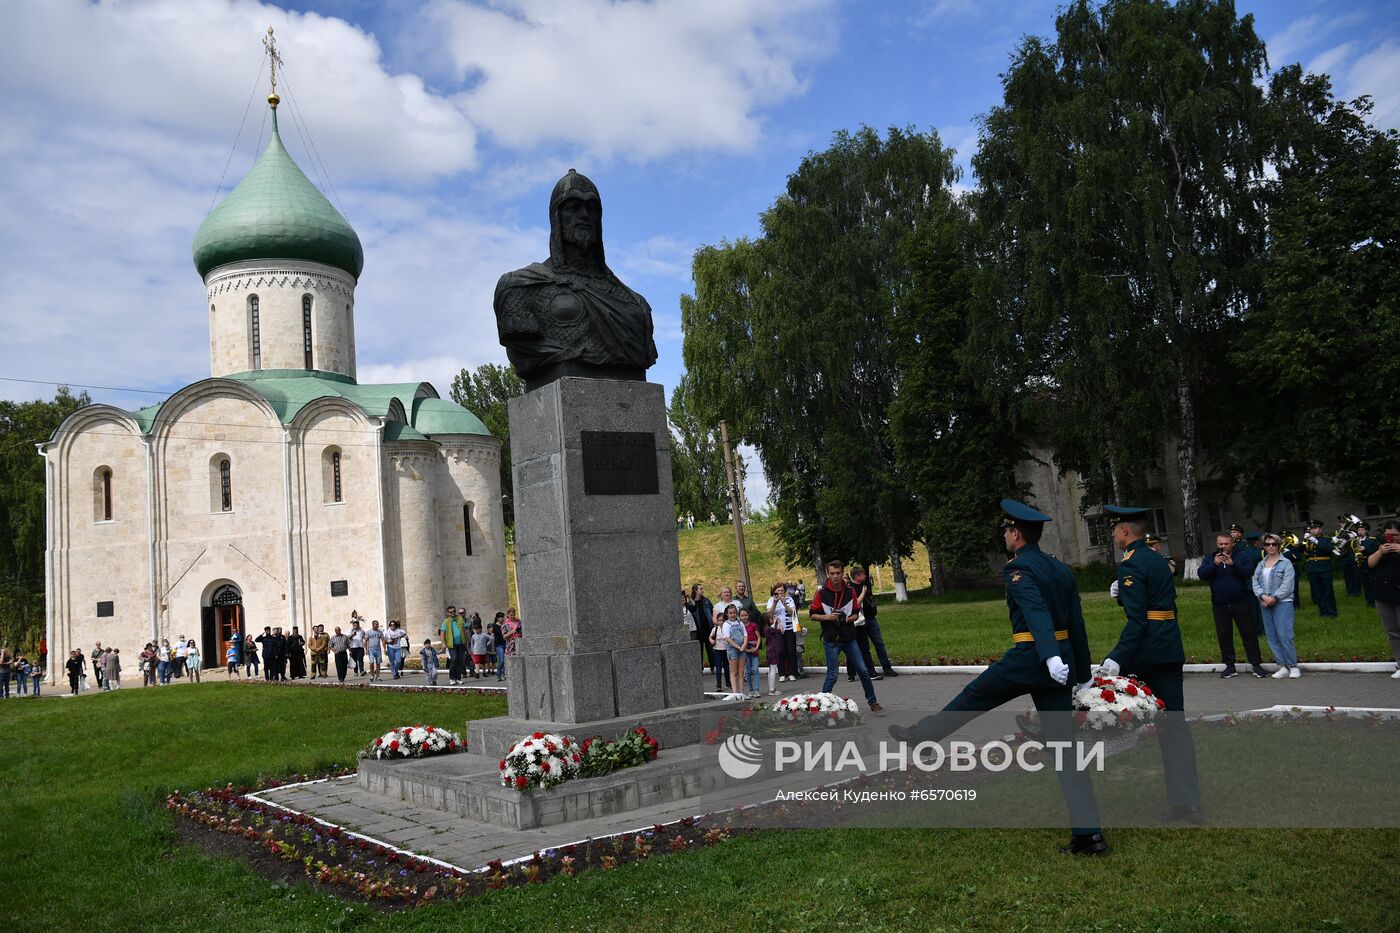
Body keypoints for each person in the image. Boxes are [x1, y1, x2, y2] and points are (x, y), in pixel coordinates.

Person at [889, 499, 1102, 854]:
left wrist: (1048, 655)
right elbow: (1076, 626)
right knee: (1066, 749)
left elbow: (1034, 611)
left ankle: (922, 736)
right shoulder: (1059, 569)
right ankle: (1089, 834)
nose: (1003, 535)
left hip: (1030, 658)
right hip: (1059, 666)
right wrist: (1082, 673)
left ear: (1016, 533)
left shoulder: (1020, 569)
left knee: (974, 696)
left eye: (1005, 530)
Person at [1096, 504, 1203, 823]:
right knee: (1174, 726)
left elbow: (1138, 621)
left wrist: (1117, 657)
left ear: (1125, 531)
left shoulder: (1130, 565)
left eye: (1115, 529)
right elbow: (1161, 604)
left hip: (1146, 654)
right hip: (1169, 648)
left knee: (1112, 708)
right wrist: (1122, 596)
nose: (1114, 534)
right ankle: (1187, 802)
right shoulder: (1158, 560)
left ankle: (1061, 738)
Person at [809, 559, 886, 715]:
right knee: (832, 674)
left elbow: (856, 614)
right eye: (832, 574)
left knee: (863, 670)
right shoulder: (821, 593)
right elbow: (812, 615)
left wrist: (847, 619)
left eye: (838, 573)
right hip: (831, 640)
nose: (835, 577)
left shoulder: (850, 591)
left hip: (849, 638)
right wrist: (828, 617)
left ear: (843, 573)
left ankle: (873, 701)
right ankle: (821, 706)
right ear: (827, 574)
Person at [1197, 532, 1267, 678]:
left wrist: (1233, 565)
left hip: (1240, 601)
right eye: (1221, 544)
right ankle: (1229, 666)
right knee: (1224, 635)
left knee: (1248, 633)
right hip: (1219, 604)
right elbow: (1202, 575)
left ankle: (1256, 664)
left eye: (1226, 544)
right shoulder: (1211, 558)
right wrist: (1214, 564)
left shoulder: (1241, 556)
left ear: (1232, 543)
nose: (1223, 547)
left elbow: (1248, 573)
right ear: (1217, 544)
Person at [1254, 534, 1299, 678]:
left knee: (1285, 634)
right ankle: (1282, 665)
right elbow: (1255, 582)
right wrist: (1262, 596)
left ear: (1279, 546)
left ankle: (1293, 666)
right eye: (1267, 544)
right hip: (1265, 603)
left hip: (1283, 603)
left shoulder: (1286, 563)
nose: (1271, 547)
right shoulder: (1261, 564)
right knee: (1271, 636)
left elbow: (1288, 585)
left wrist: (1274, 597)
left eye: (1274, 544)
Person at [847, 565, 896, 681]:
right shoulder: (851, 589)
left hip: (871, 618)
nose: (865, 575)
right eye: (863, 574)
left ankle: (887, 668)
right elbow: (856, 604)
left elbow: (869, 600)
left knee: (879, 643)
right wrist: (863, 594)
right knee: (860, 647)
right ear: (856, 576)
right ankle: (857, 672)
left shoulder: (866, 585)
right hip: (859, 621)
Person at [1366, 520, 1400, 680]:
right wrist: (1380, 552)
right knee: (1393, 631)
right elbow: (1370, 564)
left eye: (1395, 535)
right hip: (1383, 594)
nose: (1391, 538)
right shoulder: (1380, 546)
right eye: (1388, 535)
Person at [1302, 519, 1339, 618]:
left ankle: (1332, 612)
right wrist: (1304, 541)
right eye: (1311, 529)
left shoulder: (1326, 539)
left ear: (1320, 529)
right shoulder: (1307, 541)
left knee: (1328, 590)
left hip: (1325, 567)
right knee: (1318, 591)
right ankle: (1323, 612)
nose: (1313, 530)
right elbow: (1301, 551)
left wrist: (1316, 541)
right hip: (1312, 568)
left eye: (1315, 528)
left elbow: (1329, 548)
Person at [766, 583, 800, 682]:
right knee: (780, 651)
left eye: (781, 590)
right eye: (778, 591)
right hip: (777, 629)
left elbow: (792, 612)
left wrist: (784, 603)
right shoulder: (771, 600)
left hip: (789, 628)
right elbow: (769, 614)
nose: (780, 593)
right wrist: (775, 603)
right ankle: (782, 673)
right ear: (774, 592)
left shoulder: (789, 599)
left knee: (791, 651)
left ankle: (792, 673)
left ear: (784, 591)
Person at [715, 604, 746, 697]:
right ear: (727, 614)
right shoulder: (726, 624)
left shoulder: (740, 623)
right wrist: (738, 647)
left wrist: (744, 645)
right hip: (733, 649)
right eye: (730, 613)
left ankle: (742, 692)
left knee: (741, 671)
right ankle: (735, 693)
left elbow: (745, 635)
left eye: (734, 613)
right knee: (734, 672)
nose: (733, 615)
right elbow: (728, 638)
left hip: (742, 648)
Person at [690, 583, 715, 675]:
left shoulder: (706, 601)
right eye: (700, 589)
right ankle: (700, 668)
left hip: (708, 628)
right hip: (698, 630)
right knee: (699, 650)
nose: (702, 590)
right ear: (696, 590)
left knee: (710, 649)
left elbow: (712, 611)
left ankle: (713, 666)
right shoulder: (691, 603)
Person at [441, 605, 468, 685]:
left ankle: (458, 678)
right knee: (454, 659)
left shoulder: (460, 619)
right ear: (448, 613)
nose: (453, 613)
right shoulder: (446, 621)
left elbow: (464, 630)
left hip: (460, 643)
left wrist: (466, 641)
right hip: (451, 644)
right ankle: (452, 678)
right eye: (451, 612)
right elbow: (442, 633)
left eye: (454, 611)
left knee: (460, 660)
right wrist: (443, 643)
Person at [1354, 522, 1379, 608]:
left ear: (1366, 531)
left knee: (1372, 583)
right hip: (1360, 564)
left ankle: (1375, 601)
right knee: (1365, 584)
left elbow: (1376, 551)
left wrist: (1365, 548)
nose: (1360, 532)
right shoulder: (1355, 541)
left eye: (1362, 530)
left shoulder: (1372, 540)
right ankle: (1369, 602)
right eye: (1359, 530)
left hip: (1370, 563)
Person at [741, 607, 761, 698]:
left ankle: (757, 690)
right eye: (742, 615)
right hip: (745, 651)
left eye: (745, 615)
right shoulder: (739, 626)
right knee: (748, 671)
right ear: (739, 616)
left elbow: (759, 637)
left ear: (748, 615)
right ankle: (751, 690)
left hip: (754, 650)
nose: (744, 617)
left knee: (755, 669)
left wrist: (756, 647)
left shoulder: (753, 625)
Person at [763, 611, 783, 696]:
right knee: (773, 670)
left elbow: (775, 630)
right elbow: (780, 630)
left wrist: (775, 623)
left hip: (770, 650)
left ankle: (771, 689)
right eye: (771, 618)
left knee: (771, 669)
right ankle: (772, 690)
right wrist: (778, 622)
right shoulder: (769, 629)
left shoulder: (767, 628)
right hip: (773, 650)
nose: (772, 619)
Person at [490, 612, 507, 682]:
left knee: (503, 661)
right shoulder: (494, 626)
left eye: (503, 617)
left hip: (506, 644)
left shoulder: (505, 624)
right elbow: (500, 633)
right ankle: (498, 674)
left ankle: (503, 674)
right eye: (501, 617)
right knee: (502, 660)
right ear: (497, 618)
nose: (503, 618)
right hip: (499, 645)